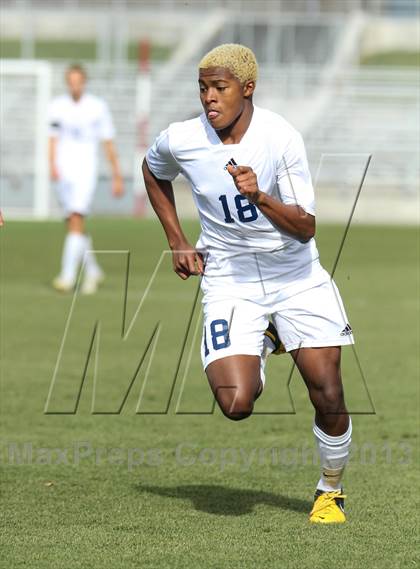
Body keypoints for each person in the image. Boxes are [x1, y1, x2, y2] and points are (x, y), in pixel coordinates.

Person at [142, 44, 354, 524]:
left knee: (327, 389)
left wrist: (258, 194)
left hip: (294, 274)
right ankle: (261, 338)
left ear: (248, 88)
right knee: (235, 403)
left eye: (220, 88)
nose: (209, 99)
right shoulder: (182, 138)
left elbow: (306, 226)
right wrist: (177, 239)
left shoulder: (280, 138)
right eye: (202, 88)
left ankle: (329, 490)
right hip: (230, 279)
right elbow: (153, 171)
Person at [49, 63, 124, 294]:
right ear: (66, 83)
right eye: (70, 81)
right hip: (63, 170)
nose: (74, 85)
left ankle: (68, 276)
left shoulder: (97, 107)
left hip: (85, 170)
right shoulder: (56, 106)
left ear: (84, 82)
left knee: (76, 216)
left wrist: (116, 175)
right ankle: (92, 271)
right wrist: (52, 165)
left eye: (78, 81)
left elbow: (107, 141)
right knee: (72, 223)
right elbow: (52, 138)